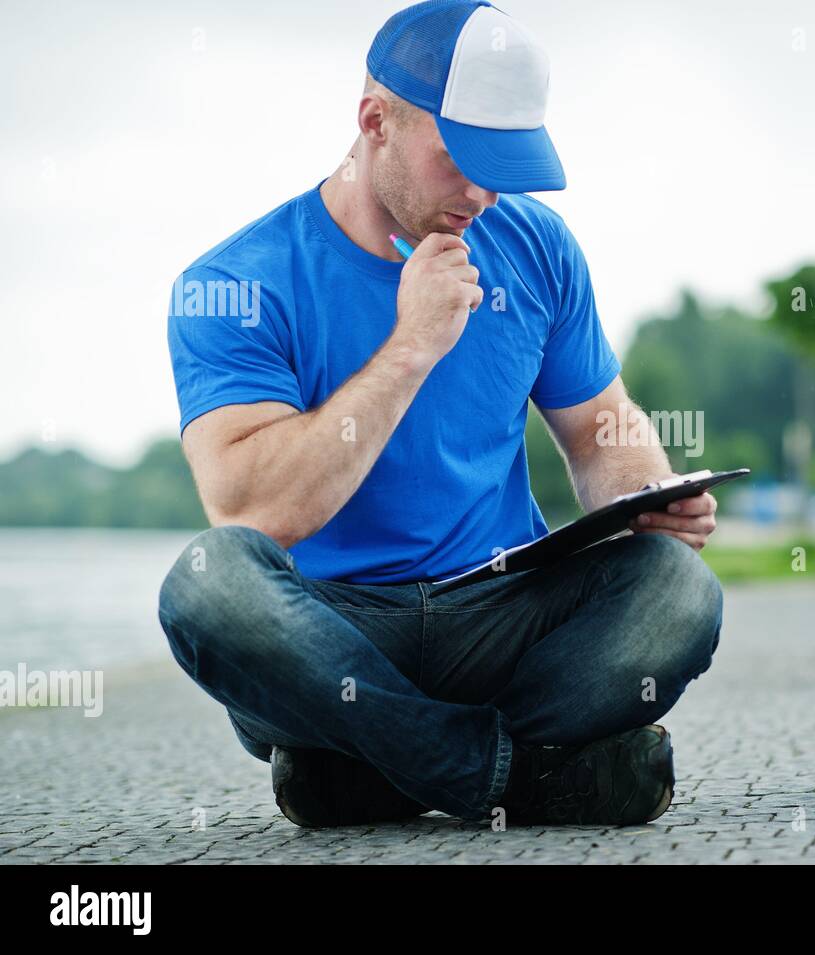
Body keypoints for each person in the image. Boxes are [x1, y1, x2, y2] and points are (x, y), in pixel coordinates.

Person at [157, 0, 723, 829]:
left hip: (501, 616)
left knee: (678, 589)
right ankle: (515, 776)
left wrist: (645, 491)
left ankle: (379, 766)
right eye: (460, 159)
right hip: (336, 634)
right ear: (373, 120)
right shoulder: (237, 282)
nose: (482, 193)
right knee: (208, 588)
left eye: (504, 164)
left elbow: (602, 424)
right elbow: (249, 511)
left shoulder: (537, 247)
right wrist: (411, 344)